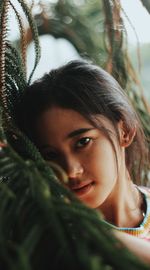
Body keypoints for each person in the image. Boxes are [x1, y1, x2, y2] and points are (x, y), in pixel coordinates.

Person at [16, 60, 150, 263]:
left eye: (82, 142)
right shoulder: (57, 244)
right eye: (51, 155)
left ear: (124, 130)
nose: (70, 171)